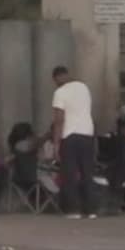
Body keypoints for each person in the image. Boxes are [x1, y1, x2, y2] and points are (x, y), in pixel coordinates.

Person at [51, 65, 96, 220]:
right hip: (87, 134)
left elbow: (59, 120)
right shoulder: (84, 87)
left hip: (69, 136)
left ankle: (74, 210)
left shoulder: (60, 92)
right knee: (87, 173)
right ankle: (91, 210)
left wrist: (56, 144)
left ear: (57, 78)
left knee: (70, 174)